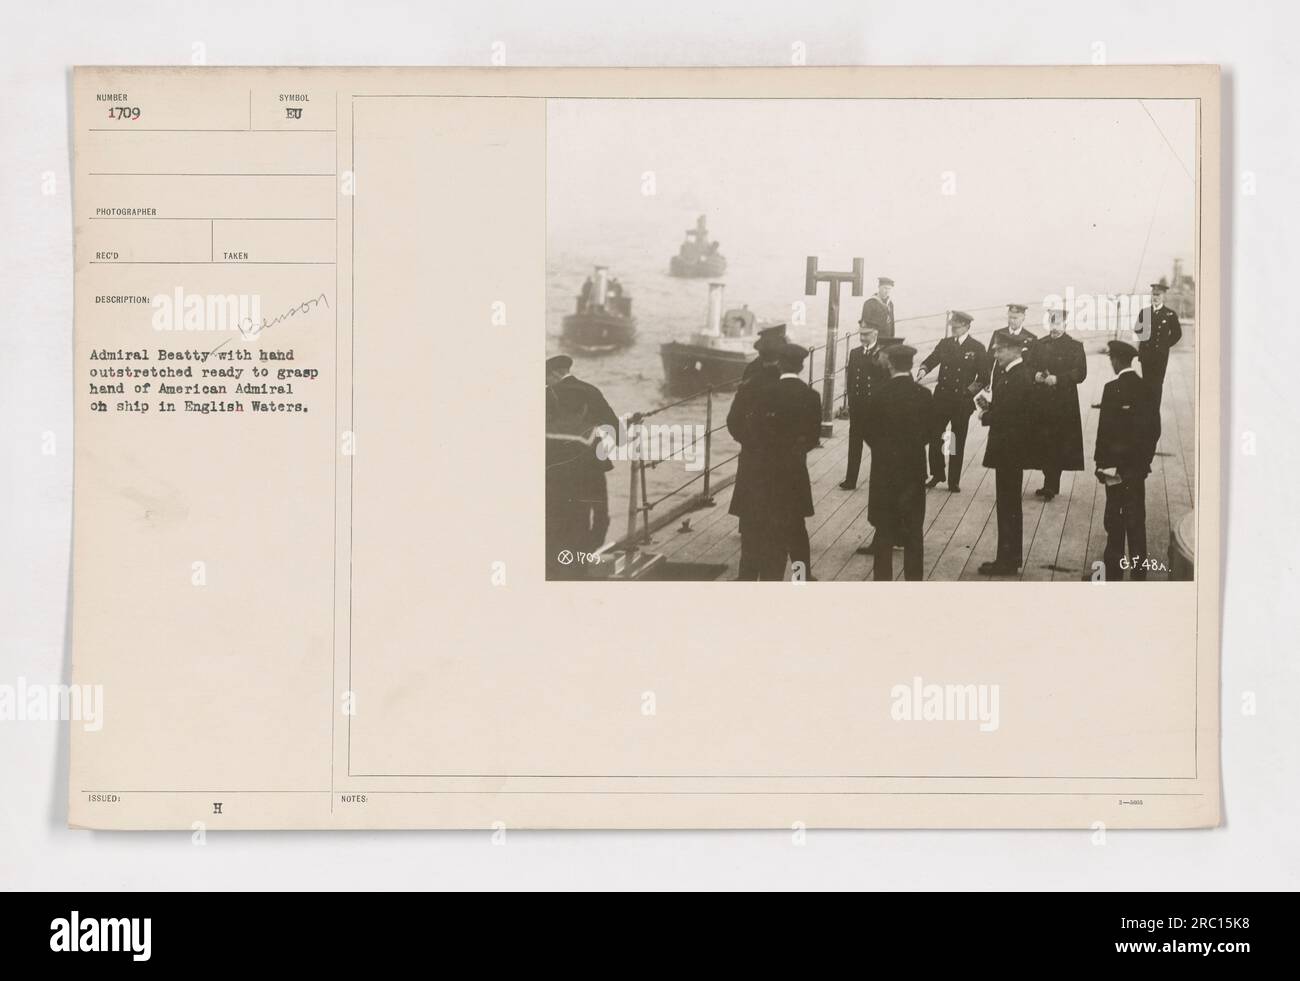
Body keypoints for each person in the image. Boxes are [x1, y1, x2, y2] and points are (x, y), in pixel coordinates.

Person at [750, 343, 822, 581]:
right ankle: (801, 576)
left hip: (769, 472)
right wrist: (795, 452)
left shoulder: (766, 394)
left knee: (771, 527)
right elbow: (813, 438)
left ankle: (771, 579)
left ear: (780, 364)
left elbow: (757, 433)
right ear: (802, 366)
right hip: (795, 472)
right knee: (796, 526)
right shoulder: (811, 396)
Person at [545, 355, 619, 573]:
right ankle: (581, 563)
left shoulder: (543, 396)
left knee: (554, 522)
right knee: (590, 519)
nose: (545, 382)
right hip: (589, 470)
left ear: (556, 373)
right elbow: (618, 433)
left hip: (551, 474)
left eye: (546, 378)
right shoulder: (590, 392)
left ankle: (553, 569)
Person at [864, 345, 933, 580]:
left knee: (884, 531)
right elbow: (931, 433)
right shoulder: (924, 395)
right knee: (914, 531)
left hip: (885, 472)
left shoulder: (878, 395)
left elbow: (867, 432)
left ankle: (882, 583)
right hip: (913, 471)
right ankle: (914, 582)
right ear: (911, 365)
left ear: (891, 364)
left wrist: (884, 451)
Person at [1094, 340, 1161, 581]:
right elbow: (1154, 430)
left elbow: (1105, 432)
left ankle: (1113, 573)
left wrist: (1101, 464)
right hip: (1136, 471)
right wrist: (1143, 463)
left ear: (1115, 360)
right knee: (1136, 519)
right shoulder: (1148, 388)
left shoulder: (1111, 389)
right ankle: (1139, 573)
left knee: (1114, 520)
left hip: (1115, 471)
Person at [726, 329, 785, 580]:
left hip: (752, 462)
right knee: (778, 529)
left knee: (751, 531)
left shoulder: (750, 381)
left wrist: (750, 442)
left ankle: (747, 583)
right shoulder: (789, 382)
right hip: (783, 468)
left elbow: (733, 422)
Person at [977, 336, 1035, 575]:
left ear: (1013, 350)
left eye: (999, 351)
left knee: (1008, 505)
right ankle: (1008, 558)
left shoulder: (1017, 377)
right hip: (1011, 450)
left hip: (1010, 451)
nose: (995, 355)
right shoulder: (1014, 374)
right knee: (1008, 505)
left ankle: (1007, 561)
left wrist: (986, 416)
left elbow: (1012, 416)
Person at [916, 309, 987, 493]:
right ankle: (938, 473)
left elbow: (984, 377)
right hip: (941, 399)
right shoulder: (945, 343)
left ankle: (953, 480)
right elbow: (932, 359)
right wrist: (924, 370)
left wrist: (967, 393)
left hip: (961, 402)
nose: (954, 329)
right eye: (953, 327)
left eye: (957, 327)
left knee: (956, 441)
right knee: (935, 436)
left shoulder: (977, 348)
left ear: (967, 326)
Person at [1026, 307, 1087, 500]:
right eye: (1052, 323)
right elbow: (1028, 366)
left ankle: (1051, 484)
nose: (1055, 327)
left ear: (1065, 324)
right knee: (1043, 441)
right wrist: (1035, 375)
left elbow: (1080, 373)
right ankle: (1048, 482)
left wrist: (1059, 379)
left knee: (1057, 442)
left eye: (1058, 323)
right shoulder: (1039, 344)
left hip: (1063, 402)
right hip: (1041, 400)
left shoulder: (1074, 346)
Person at [839, 322, 890, 490]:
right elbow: (851, 379)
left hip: (875, 408)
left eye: (866, 335)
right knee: (855, 442)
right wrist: (851, 400)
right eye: (861, 334)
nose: (862, 338)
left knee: (877, 444)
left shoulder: (883, 354)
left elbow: (886, 381)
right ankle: (850, 479)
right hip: (858, 406)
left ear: (875, 334)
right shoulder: (855, 353)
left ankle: (880, 479)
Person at [1136, 281, 1182, 410]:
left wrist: (1165, 345)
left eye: (1158, 295)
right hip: (1146, 356)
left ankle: (1154, 411)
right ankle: (1146, 411)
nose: (1155, 297)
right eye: (1154, 294)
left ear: (1164, 296)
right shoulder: (1144, 312)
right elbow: (1137, 330)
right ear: (1151, 295)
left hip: (1160, 357)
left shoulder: (1169, 314)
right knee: (1146, 383)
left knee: (1157, 384)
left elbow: (1177, 334)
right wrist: (1145, 338)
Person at [988, 303, 1037, 381]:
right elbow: (989, 359)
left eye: (1015, 318)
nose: (1012, 321)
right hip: (999, 380)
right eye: (1010, 317)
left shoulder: (1030, 338)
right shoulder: (998, 333)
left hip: (1019, 380)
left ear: (1023, 317)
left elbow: (1031, 364)